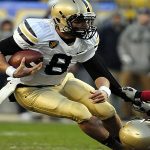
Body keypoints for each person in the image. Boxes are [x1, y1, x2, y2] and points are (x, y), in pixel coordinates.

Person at [0, 0, 131, 149]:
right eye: (79, 21)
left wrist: (104, 90)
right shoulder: (37, 32)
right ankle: (119, 148)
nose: (85, 25)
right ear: (60, 20)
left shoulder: (86, 39)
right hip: (31, 89)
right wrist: (11, 71)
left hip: (64, 81)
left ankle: (128, 143)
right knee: (80, 112)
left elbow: (96, 70)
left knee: (106, 110)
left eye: (88, 20)